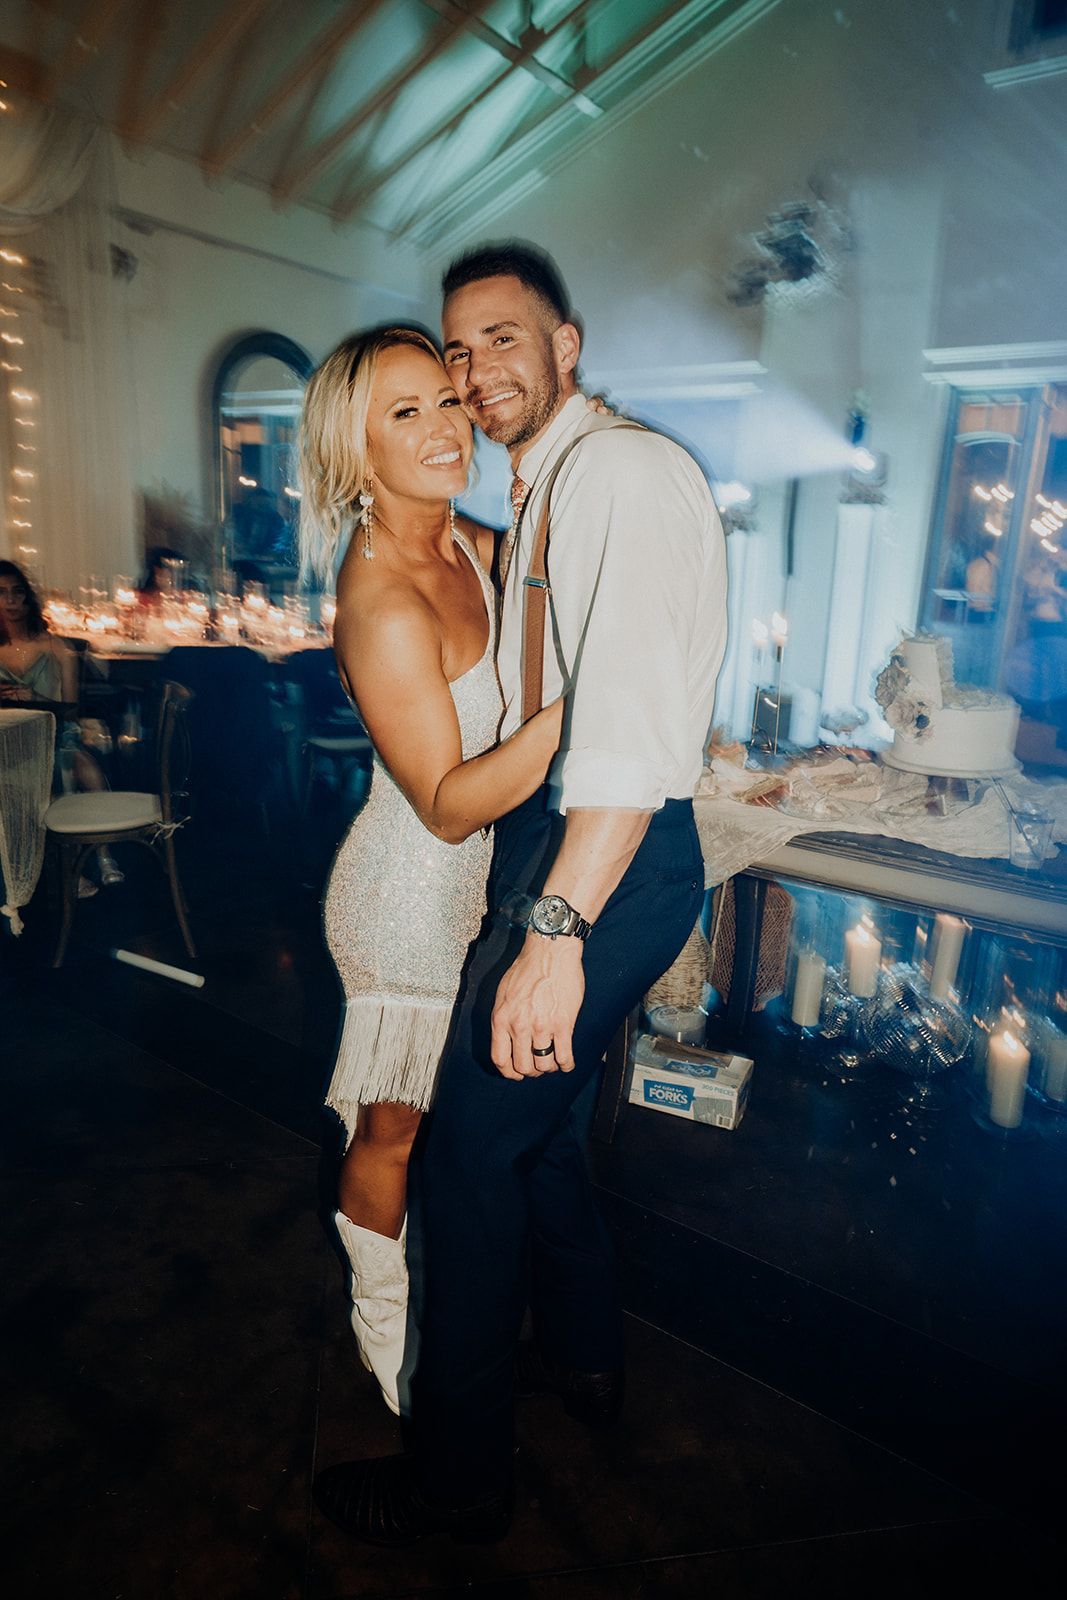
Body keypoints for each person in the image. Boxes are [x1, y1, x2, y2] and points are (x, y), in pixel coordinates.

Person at [313, 244, 728, 1545]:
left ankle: (456, 1480)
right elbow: (461, 781)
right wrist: (571, 719)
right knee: (485, 1139)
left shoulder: (600, 480)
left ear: (568, 345)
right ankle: (551, 1362)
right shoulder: (505, 516)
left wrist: (555, 928)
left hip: (569, 877)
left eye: (496, 347)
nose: (467, 387)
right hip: (441, 878)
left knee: (475, 1152)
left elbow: (633, 703)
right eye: (446, 366)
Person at [297, 325, 565, 1416]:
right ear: (353, 451)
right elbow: (449, 808)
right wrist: (576, 722)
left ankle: (454, 1309)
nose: (443, 425)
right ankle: (384, 1329)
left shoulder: (462, 543)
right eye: (402, 413)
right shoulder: (380, 601)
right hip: (407, 895)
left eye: (443, 400)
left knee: (461, 1124)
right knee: (391, 1127)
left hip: (478, 894)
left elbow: (556, 578)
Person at [0, 559, 123, 894]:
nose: (11, 601)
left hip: (52, 731)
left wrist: (34, 696)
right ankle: (46, 871)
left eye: (17, 592)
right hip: (8, 739)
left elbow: (69, 710)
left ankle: (100, 855)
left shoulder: (56, 647)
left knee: (72, 761)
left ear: (27, 598)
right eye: (2, 593)